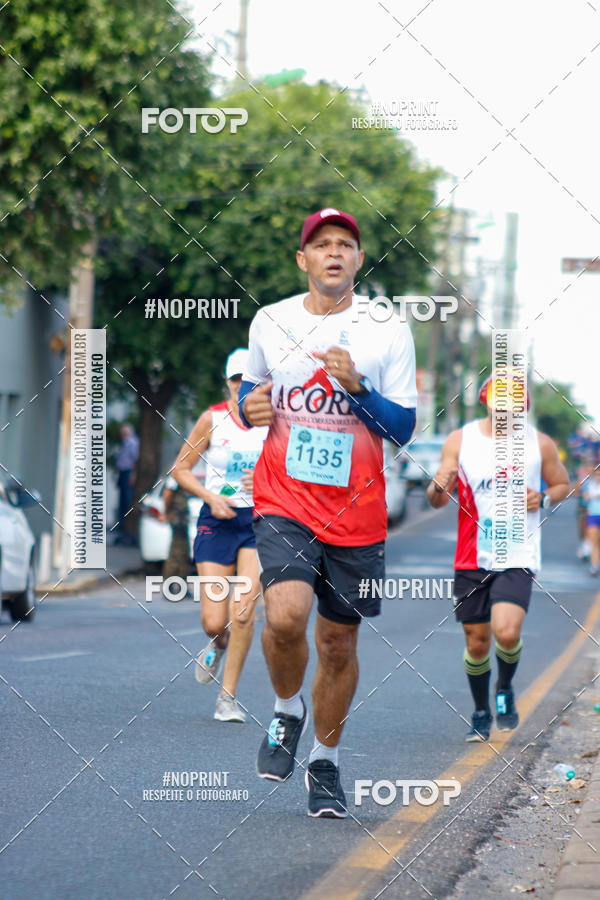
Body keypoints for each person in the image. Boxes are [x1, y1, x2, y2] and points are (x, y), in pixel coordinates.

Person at [239, 208, 417, 817]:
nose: (334, 253)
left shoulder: (387, 329)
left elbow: (405, 428)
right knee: (285, 617)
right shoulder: (272, 320)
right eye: (322, 245)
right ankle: (288, 709)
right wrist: (247, 408)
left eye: (346, 245)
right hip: (283, 496)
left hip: (359, 510)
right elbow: (249, 392)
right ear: (304, 260)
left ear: (358, 261)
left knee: (338, 643)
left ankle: (325, 761)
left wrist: (360, 392)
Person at [427, 372, 570, 742]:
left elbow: (563, 483)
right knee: (477, 641)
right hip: (471, 555)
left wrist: (546, 497)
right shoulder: (461, 441)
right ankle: (480, 712)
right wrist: (438, 483)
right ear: (487, 402)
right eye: (499, 406)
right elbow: (436, 498)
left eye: (514, 408)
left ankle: (504, 686)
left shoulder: (539, 445)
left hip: (517, 552)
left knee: (506, 632)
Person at [173, 349, 268, 723]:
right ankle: (217, 641)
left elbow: (292, 470)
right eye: (237, 381)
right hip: (217, 522)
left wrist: (263, 481)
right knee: (215, 620)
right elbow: (181, 469)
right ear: (228, 383)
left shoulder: (274, 423)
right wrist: (210, 496)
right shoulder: (212, 419)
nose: (244, 388)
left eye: (251, 382)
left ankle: (227, 699)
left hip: (257, 523)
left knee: (243, 612)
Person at [115, 423, 139, 544]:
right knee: (122, 502)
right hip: (123, 473)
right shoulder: (126, 443)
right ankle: (122, 529)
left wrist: (132, 476)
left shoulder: (132, 443)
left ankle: (126, 530)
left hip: (127, 473)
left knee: (126, 501)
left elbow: (134, 461)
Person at [581, 466, 600, 576]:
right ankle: (594, 566)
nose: (598, 477)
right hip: (593, 516)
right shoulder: (589, 485)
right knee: (594, 543)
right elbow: (584, 498)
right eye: (597, 474)